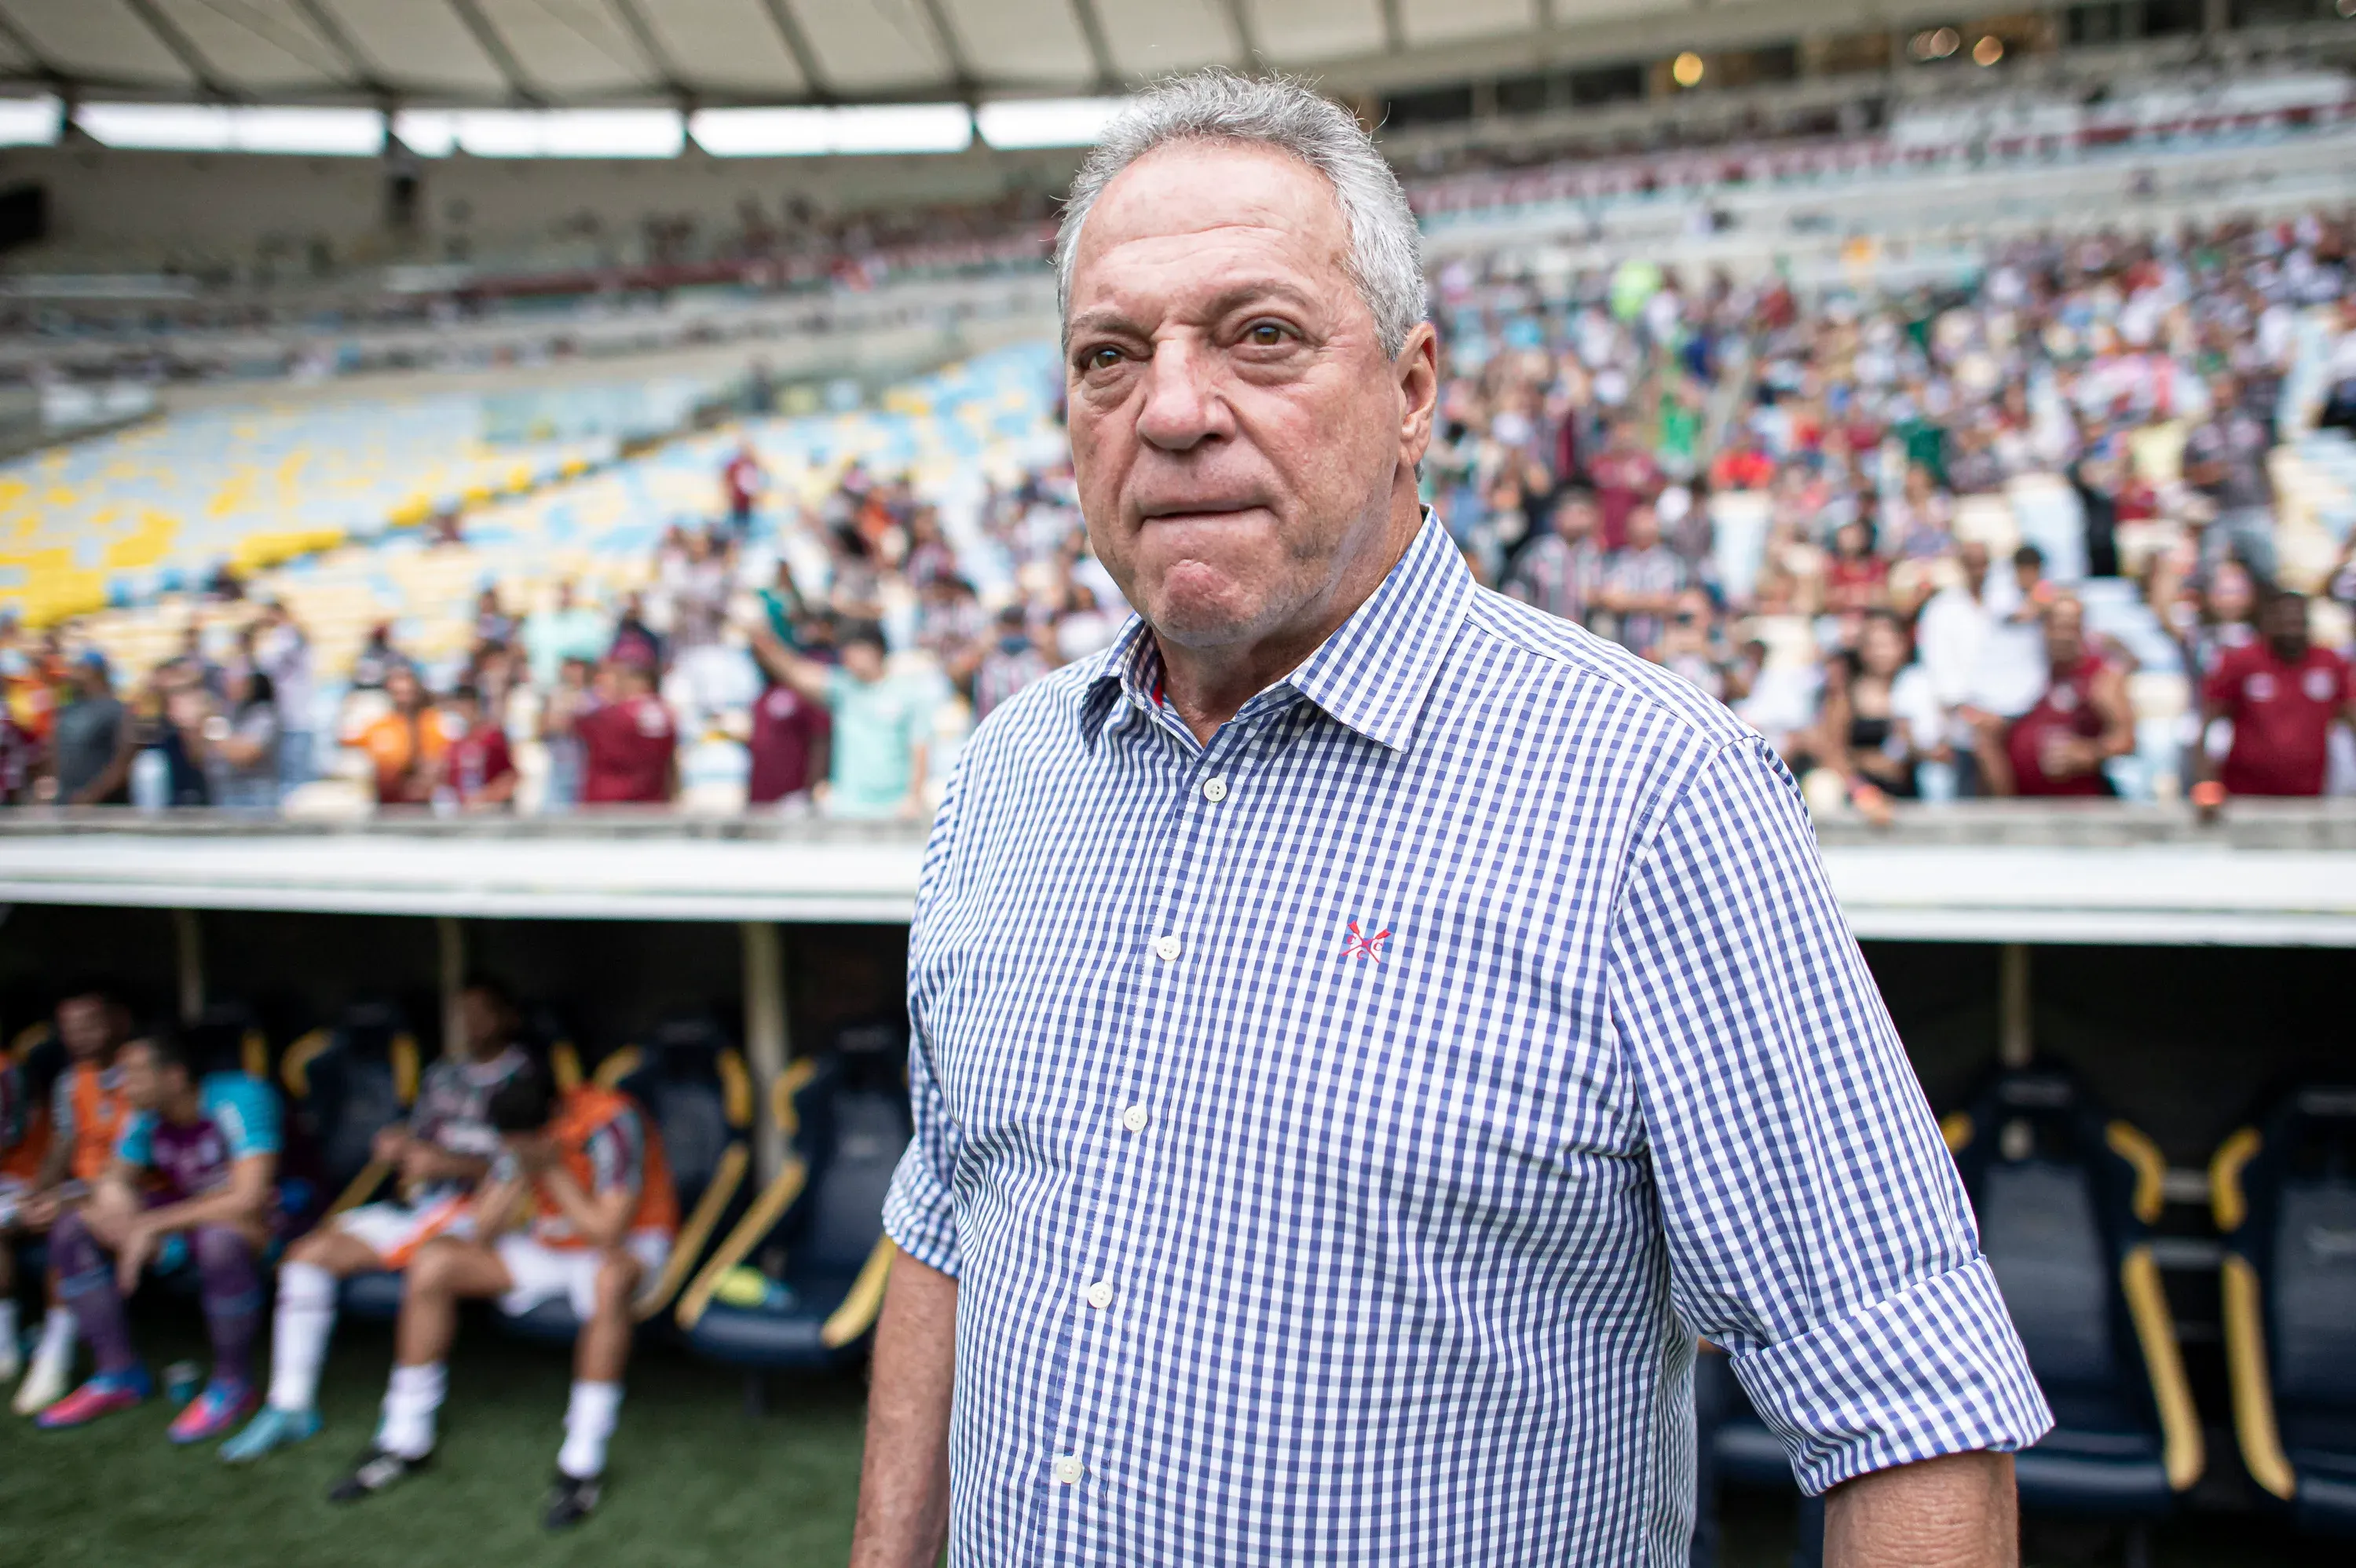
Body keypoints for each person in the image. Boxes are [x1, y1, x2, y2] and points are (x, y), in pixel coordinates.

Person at [851, 72, 2045, 1568]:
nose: (1169, 409)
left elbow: (1906, 1398)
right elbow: (949, 1215)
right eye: (1109, 356)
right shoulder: (1004, 780)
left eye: (1259, 336)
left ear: (1414, 390)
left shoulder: (1646, 794)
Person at [328, 1062, 676, 1530]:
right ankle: (404, 1434)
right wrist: (515, 1174)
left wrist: (550, 1169)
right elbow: (482, 1234)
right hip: (551, 1242)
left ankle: (582, 1461)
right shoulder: (518, 1135)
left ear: (553, 1120)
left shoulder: (613, 1121)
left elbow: (607, 1233)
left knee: (609, 1281)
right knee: (435, 1261)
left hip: (628, 1244)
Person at [221, 978, 532, 1464]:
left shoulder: (531, 1078)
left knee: (430, 1266)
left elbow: (530, 1164)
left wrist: (448, 1164)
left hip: (496, 1214)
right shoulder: (442, 1075)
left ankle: (407, 1420)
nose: (470, 1024)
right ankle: (290, 1404)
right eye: (462, 1013)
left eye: (482, 1012)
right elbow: (424, 1143)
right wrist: (401, 1145)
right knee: (306, 1257)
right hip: (425, 1205)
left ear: (509, 1017)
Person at [36, 1029, 280, 1442]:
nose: (122, 1084)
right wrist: (122, 1217)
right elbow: (113, 1180)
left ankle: (233, 1385)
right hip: (185, 1221)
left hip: (269, 1222)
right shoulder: (144, 1114)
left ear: (175, 1076)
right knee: (75, 1226)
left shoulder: (239, 1096)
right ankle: (117, 1375)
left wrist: (150, 1226)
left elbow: (249, 1196)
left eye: (133, 1073)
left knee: (223, 1240)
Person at [10, 985, 133, 1415]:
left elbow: (134, 1158)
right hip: (79, 1190)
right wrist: (39, 1192)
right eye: (69, 1028)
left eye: (89, 1025)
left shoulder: (138, 1074)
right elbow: (64, 1143)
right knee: (15, 1215)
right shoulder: (71, 1080)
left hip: (130, 1194)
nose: (79, 1036)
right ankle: (8, 1343)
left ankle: (54, 1353)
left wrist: (66, 1202)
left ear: (119, 1021)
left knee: (66, 1229)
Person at [751, 623, 929, 821]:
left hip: (893, 807)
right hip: (847, 806)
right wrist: (762, 639)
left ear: (875, 651)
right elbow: (797, 673)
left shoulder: (907, 693)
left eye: (853, 651)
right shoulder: (844, 687)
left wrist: (914, 797)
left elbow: (919, 747)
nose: (847, 658)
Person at [1971, 594, 2135, 797]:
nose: (2063, 635)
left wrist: (2090, 753)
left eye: (2071, 627)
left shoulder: (2100, 676)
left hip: (2081, 807)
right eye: (2057, 626)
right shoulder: (2022, 673)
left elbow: (2126, 740)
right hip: (2023, 807)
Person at [2197, 590, 2354, 799]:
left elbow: (2352, 719)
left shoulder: (2329, 663)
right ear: (2268, 622)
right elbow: (2208, 720)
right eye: (2284, 621)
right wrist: (2205, 784)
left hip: (2309, 792)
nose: (2291, 629)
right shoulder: (2242, 661)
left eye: (2297, 622)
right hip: (2245, 793)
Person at [565, 656, 678, 807]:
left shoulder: (614, 716)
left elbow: (573, 725)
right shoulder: (666, 714)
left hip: (610, 804)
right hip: (652, 803)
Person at [744, 630, 832, 812]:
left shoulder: (804, 695)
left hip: (794, 797)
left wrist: (813, 787)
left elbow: (821, 740)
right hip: (761, 799)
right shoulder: (762, 695)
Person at [1501, 485, 1604, 625]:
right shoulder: (1539, 551)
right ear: (1557, 517)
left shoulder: (1595, 554)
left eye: (1582, 513)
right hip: (1543, 633)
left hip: (1584, 635)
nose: (1576, 520)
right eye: (1570, 513)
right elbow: (1515, 589)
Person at [42, 651, 133, 806]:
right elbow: (56, 750)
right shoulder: (68, 709)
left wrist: (92, 795)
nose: (74, 673)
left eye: (81, 668)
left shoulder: (116, 710)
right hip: (67, 801)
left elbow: (124, 759)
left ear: (96, 672)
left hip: (103, 805)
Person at [358, 664, 444, 808]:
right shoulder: (379, 725)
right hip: (387, 798)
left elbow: (436, 761)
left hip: (421, 799)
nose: (403, 698)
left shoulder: (430, 722)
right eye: (397, 692)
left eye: (407, 692)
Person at [253, 601, 316, 797]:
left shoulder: (287, 636)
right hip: (290, 716)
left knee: (293, 783)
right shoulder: (292, 636)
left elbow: (264, 662)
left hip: (295, 716)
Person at [202, 667, 281, 812]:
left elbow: (245, 755)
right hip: (224, 790)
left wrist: (215, 737)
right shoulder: (229, 712)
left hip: (253, 795)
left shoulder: (263, 715)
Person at [436, 684, 518, 811]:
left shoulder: (492, 738)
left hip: (489, 812)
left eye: (465, 707)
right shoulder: (452, 744)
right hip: (460, 814)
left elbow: (511, 777)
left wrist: (485, 797)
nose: (462, 713)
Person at [522, 581, 613, 690]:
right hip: (541, 685)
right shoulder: (537, 621)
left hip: (578, 688)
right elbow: (525, 652)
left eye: (567, 591)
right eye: (561, 591)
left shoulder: (588, 620)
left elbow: (597, 653)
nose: (563, 596)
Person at [722, 437, 766, 538]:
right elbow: (727, 482)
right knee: (739, 532)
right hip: (738, 506)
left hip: (749, 507)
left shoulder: (753, 464)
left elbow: (758, 485)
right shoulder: (735, 465)